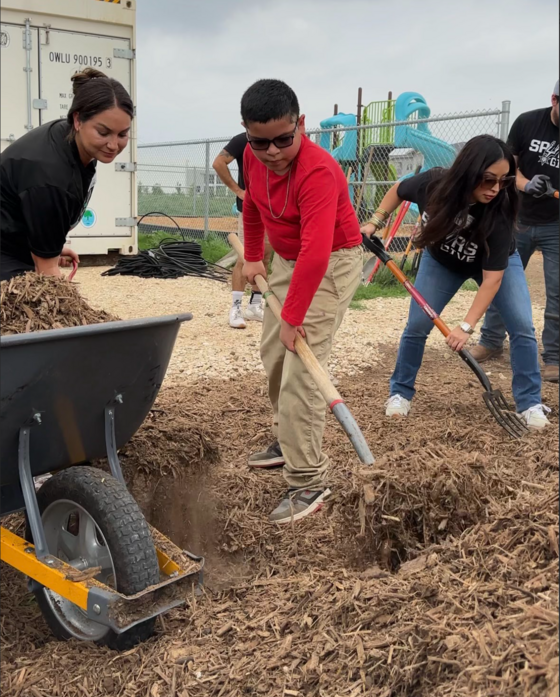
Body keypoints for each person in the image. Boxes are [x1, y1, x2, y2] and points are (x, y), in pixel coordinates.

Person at [362, 135, 550, 431]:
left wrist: (465, 327)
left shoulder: (499, 210)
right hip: (442, 263)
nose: (495, 189)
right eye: (488, 180)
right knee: (416, 327)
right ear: (469, 170)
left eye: (503, 180)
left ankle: (529, 403)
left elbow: (492, 280)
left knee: (522, 327)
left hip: (494, 265)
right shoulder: (434, 184)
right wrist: (375, 222)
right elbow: (399, 189)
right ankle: (400, 392)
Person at [240, 79, 363, 524]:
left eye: (283, 140)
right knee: (272, 352)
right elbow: (251, 208)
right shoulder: (252, 160)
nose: (272, 151)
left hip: (331, 260)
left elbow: (317, 251)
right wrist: (253, 256)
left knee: (302, 372)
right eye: (260, 142)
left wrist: (294, 317)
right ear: (246, 132)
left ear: (301, 125)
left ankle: (308, 477)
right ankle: (287, 439)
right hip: (289, 259)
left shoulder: (318, 170)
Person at [0, 68, 133, 282]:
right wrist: (47, 256)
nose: (113, 145)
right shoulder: (51, 176)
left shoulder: (69, 138)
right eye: (103, 132)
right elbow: (47, 277)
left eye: (123, 134)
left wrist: (51, 246)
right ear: (78, 120)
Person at [470, 81, 559, 383]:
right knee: (500, 279)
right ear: (553, 100)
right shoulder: (527, 122)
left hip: (556, 226)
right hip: (517, 219)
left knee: (557, 291)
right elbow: (510, 170)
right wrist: (527, 184)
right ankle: (491, 341)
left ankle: (554, 357)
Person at [212, 133, 272, 328]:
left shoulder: (276, 139)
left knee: (264, 258)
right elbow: (219, 163)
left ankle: (254, 306)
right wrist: (239, 191)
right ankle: (236, 307)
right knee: (245, 258)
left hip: (273, 209)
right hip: (250, 209)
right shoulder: (242, 140)